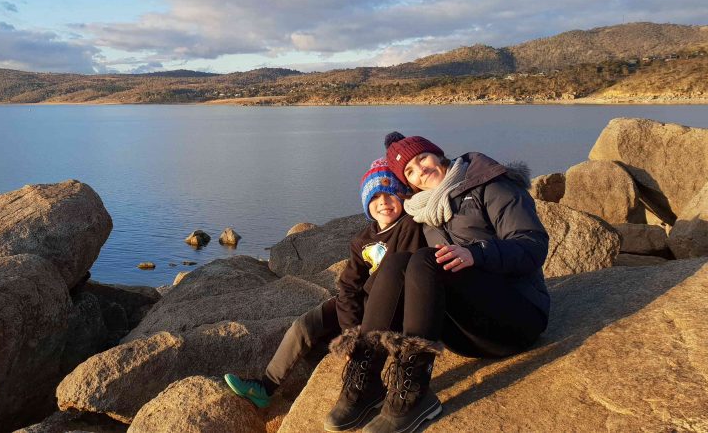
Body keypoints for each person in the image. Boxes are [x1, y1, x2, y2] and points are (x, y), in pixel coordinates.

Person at [355, 132, 550, 433]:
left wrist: (476, 254)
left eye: (422, 158)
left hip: (518, 319)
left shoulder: (490, 184)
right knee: (398, 262)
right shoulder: (421, 209)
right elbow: (397, 278)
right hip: (468, 335)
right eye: (409, 171)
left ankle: (414, 393)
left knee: (427, 259)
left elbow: (533, 244)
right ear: (408, 183)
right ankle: (365, 376)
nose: (420, 170)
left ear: (437, 154)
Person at [224, 157, 425, 431]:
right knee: (303, 326)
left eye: (390, 193)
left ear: (403, 196)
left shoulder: (410, 227)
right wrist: (348, 332)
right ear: (367, 204)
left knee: (368, 333)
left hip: (389, 307)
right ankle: (265, 386)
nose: (383, 202)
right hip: (361, 305)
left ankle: (370, 389)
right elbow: (349, 287)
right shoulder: (362, 240)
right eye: (375, 196)